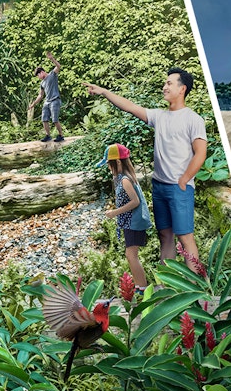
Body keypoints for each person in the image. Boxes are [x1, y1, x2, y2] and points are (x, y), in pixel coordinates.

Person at [84, 68, 207, 274]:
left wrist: (184, 179)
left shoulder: (193, 119)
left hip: (179, 188)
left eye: (169, 83)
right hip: (159, 187)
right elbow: (130, 107)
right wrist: (104, 92)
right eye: (165, 83)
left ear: (182, 89)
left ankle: (197, 286)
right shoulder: (159, 116)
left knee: (185, 238)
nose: (164, 86)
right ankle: (168, 285)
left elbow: (200, 153)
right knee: (165, 236)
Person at [100, 143, 151, 294]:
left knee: (131, 255)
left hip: (134, 222)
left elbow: (135, 202)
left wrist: (115, 212)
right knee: (130, 256)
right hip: (130, 222)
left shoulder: (125, 180)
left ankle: (142, 288)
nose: (108, 167)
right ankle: (139, 287)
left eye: (109, 164)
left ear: (117, 162)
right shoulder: (120, 178)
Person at [27, 51, 64, 142]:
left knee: (55, 120)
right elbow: (40, 95)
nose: (38, 77)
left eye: (38, 75)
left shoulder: (52, 75)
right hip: (47, 102)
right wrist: (33, 104)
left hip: (55, 100)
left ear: (42, 72)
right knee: (44, 119)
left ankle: (61, 135)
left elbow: (58, 66)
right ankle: (48, 135)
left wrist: (52, 59)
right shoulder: (42, 83)